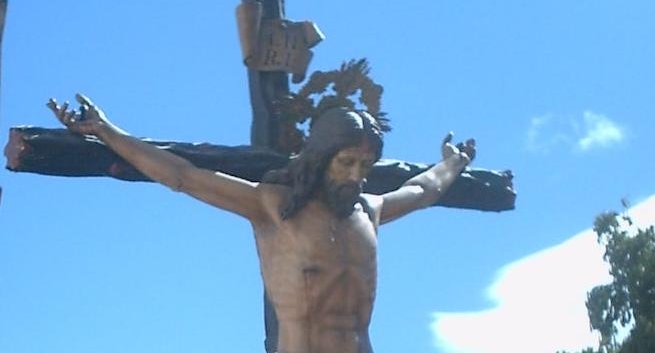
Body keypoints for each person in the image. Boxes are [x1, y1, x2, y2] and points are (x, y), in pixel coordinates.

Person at [48, 94, 476, 353]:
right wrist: (107, 131)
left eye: (364, 166)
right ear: (320, 158)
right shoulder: (273, 205)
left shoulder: (369, 210)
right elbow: (183, 175)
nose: (355, 175)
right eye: (346, 162)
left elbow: (423, 190)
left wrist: (453, 163)